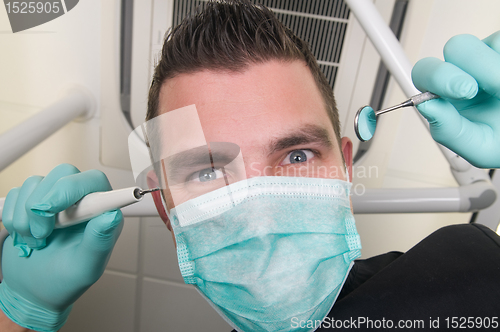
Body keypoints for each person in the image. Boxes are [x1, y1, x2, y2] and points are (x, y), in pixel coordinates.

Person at [1, 1, 500, 331]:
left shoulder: (470, 274)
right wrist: (23, 313)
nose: (260, 212)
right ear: (164, 206)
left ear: (345, 168)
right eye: (208, 171)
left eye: (297, 156)